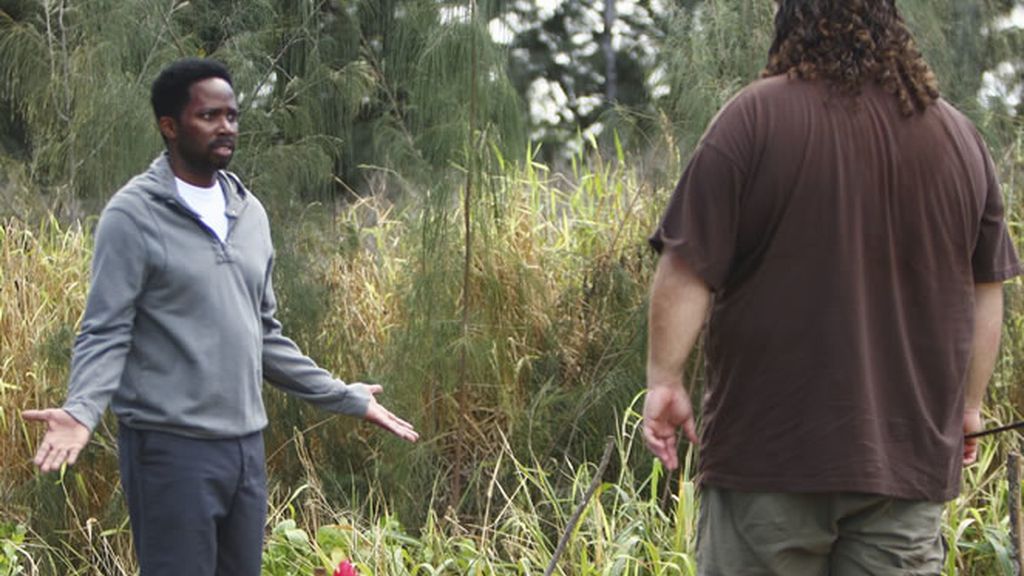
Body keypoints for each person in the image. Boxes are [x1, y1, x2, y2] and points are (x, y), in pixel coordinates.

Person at [643, 1, 1021, 574]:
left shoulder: (751, 120)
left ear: (792, 16)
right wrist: (968, 406)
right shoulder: (959, 139)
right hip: (905, 467)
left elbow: (687, 266)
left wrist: (666, 379)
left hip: (768, 462)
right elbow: (984, 289)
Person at [22, 58, 419, 576]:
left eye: (232, 115)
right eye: (209, 115)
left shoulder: (249, 213)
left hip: (244, 448)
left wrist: (344, 395)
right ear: (170, 126)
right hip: (170, 449)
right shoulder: (134, 214)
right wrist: (81, 411)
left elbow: (264, 337)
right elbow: (106, 329)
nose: (226, 126)